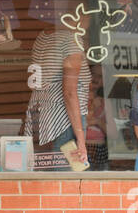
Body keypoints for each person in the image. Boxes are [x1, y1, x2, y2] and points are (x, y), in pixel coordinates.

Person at [24, 20, 91, 172]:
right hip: (64, 120)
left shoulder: (43, 36)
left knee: (47, 176)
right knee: (66, 182)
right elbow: (69, 92)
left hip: (41, 116)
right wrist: (81, 140)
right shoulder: (70, 39)